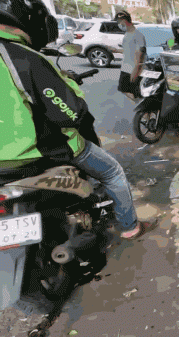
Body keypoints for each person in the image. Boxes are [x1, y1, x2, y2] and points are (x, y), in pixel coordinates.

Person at [0, 0, 152, 240]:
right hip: (42, 153)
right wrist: (67, 84)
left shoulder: (136, 35)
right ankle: (129, 226)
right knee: (113, 172)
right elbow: (70, 113)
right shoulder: (23, 57)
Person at [115, 11, 146, 102]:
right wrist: (116, 50)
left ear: (124, 20)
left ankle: (141, 111)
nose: (119, 24)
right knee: (124, 90)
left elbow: (140, 53)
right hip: (126, 68)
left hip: (132, 68)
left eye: (119, 22)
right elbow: (129, 51)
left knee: (133, 93)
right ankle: (139, 109)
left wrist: (136, 70)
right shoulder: (127, 34)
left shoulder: (138, 35)